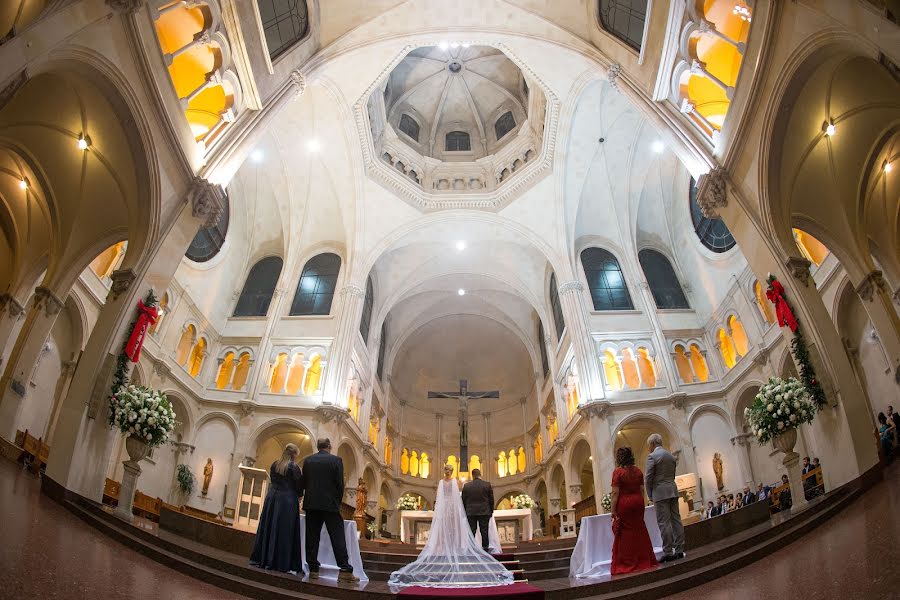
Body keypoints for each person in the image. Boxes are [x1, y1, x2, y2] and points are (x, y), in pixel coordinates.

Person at [388, 464, 513, 589]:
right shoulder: (472, 483)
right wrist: (488, 511)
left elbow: (460, 499)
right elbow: (484, 499)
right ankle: (483, 550)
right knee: (479, 531)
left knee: (468, 531)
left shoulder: (457, 485)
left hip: (453, 510)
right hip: (470, 510)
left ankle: (452, 547)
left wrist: (464, 510)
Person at [302, 438, 359, 583]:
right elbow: (340, 485)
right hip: (330, 505)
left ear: (318, 447)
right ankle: (345, 570)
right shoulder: (336, 461)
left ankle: (313, 569)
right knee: (337, 537)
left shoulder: (308, 460)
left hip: (311, 504)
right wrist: (337, 502)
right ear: (329, 446)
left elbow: (304, 482)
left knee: (312, 537)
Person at [250, 443, 304, 573]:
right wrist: (300, 496)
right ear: (294, 455)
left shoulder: (275, 464)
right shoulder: (294, 467)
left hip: (272, 498)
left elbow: (273, 480)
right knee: (284, 531)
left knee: (269, 527)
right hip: (287, 502)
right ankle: (281, 562)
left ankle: (263, 558)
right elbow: (298, 486)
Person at [610, 447, 659, 574]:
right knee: (639, 529)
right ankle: (644, 558)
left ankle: (628, 561)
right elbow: (642, 489)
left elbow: (615, 493)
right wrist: (642, 503)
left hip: (624, 504)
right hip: (637, 502)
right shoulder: (638, 471)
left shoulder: (618, 472)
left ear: (619, 458)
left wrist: (613, 510)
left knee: (626, 533)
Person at [645, 433, 684, 562]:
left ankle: (668, 551)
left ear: (652, 444)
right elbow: (672, 475)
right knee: (676, 520)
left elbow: (648, 478)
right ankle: (679, 549)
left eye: (648, 445)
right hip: (672, 490)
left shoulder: (652, 457)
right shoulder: (671, 456)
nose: (648, 448)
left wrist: (650, 494)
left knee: (664, 523)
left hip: (660, 493)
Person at [461, 467, 494, 554]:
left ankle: (471, 548)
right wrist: (491, 511)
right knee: (484, 530)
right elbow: (491, 499)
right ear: (480, 474)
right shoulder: (487, 484)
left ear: (472, 475)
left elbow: (463, 500)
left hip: (470, 512)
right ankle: (485, 549)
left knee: (471, 530)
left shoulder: (467, 486)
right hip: (484, 511)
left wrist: (465, 512)